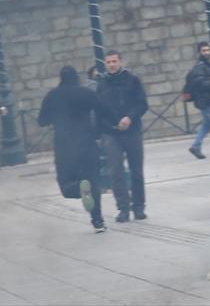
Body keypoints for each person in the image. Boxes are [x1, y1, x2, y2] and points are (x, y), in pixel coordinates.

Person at [37, 66, 111, 233]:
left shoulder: (52, 96)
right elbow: (103, 110)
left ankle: (78, 188)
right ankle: (97, 221)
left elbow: (41, 120)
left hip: (64, 146)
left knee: (65, 183)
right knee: (92, 181)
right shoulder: (85, 93)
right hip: (86, 143)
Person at [97, 50, 148, 222]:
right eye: (108, 62)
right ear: (105, 64)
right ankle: (123, 208)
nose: (111, 65)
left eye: (114, 61)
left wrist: (130, 117)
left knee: (136, 171)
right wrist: (101, 131)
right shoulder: (102, 84)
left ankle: (139, 207)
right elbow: (98, 110)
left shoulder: (132, 81)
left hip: (132, 131)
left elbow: (142, 104)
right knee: (116, 172)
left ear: (120, 62)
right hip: (111, 133)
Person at [183, 42, 210, 159]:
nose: (207, 53)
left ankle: (196, 146)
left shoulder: (207, 64)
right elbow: (200, 82)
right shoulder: (200, 66)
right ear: (199, 52)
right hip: (206, 100)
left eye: (208, 50)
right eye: (204, 51)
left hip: (206, 99)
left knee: (206, 125)